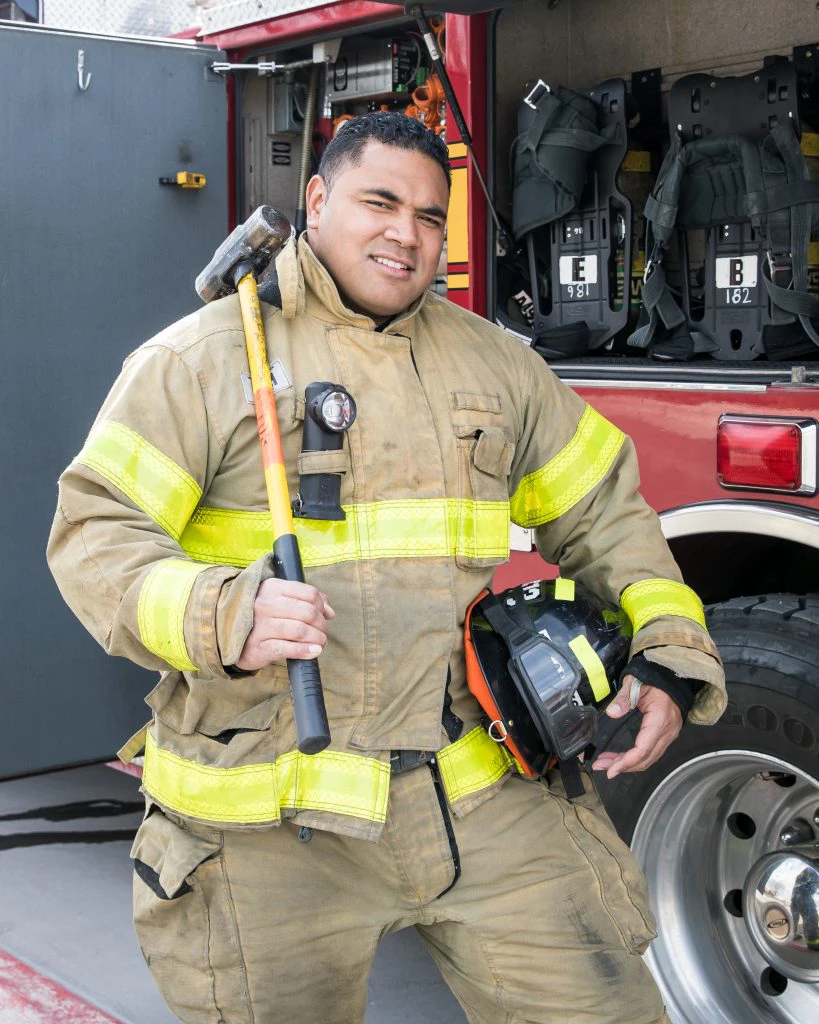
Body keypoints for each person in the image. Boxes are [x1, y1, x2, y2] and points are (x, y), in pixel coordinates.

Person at [47, 112, 726, 1024]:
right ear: (317, 199)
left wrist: (670, 650)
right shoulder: (204, 358)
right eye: (380, 202)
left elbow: (605, 510)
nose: (406, 232)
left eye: (429, 214)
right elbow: (96, 531)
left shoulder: (494, 364)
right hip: (267, 821)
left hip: (483, 788)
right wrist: (220, 613)